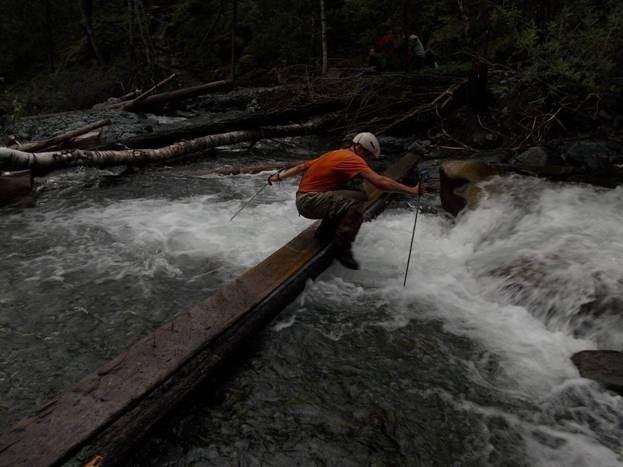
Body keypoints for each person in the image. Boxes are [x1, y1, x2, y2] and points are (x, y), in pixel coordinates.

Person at [268, 132, 424, 270]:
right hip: (311, 202)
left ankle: (324, 232)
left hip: (304, 199)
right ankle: (342, 247)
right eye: (368, 155)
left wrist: (278, 177)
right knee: (359, 198)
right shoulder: (352, 159)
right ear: (361, 148)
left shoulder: (335, 153)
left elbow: (303, 166)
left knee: (354, 188)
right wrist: (411, 190)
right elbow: (379, 182)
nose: (367, 158)